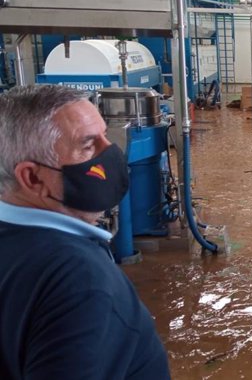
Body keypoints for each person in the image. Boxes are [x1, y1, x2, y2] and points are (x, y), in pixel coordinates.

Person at [0, 85, 171, 379]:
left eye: (106, 134)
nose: (111, 152)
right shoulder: (79, 280)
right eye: (88, 145)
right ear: (32, 177)